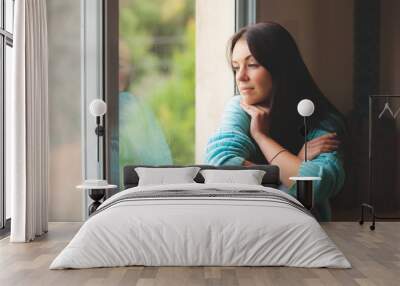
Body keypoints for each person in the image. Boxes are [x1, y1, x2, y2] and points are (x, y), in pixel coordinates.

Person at [205, 22, 346, 221]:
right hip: (244, 225)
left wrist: (261, 137)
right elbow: (221, 165)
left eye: (252, 65)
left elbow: (314, 187)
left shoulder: (322, 121)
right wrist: (293, 164)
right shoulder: (241, 107)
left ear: (280, 67)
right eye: (236, 67)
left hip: (301, 231)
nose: (241, 77)